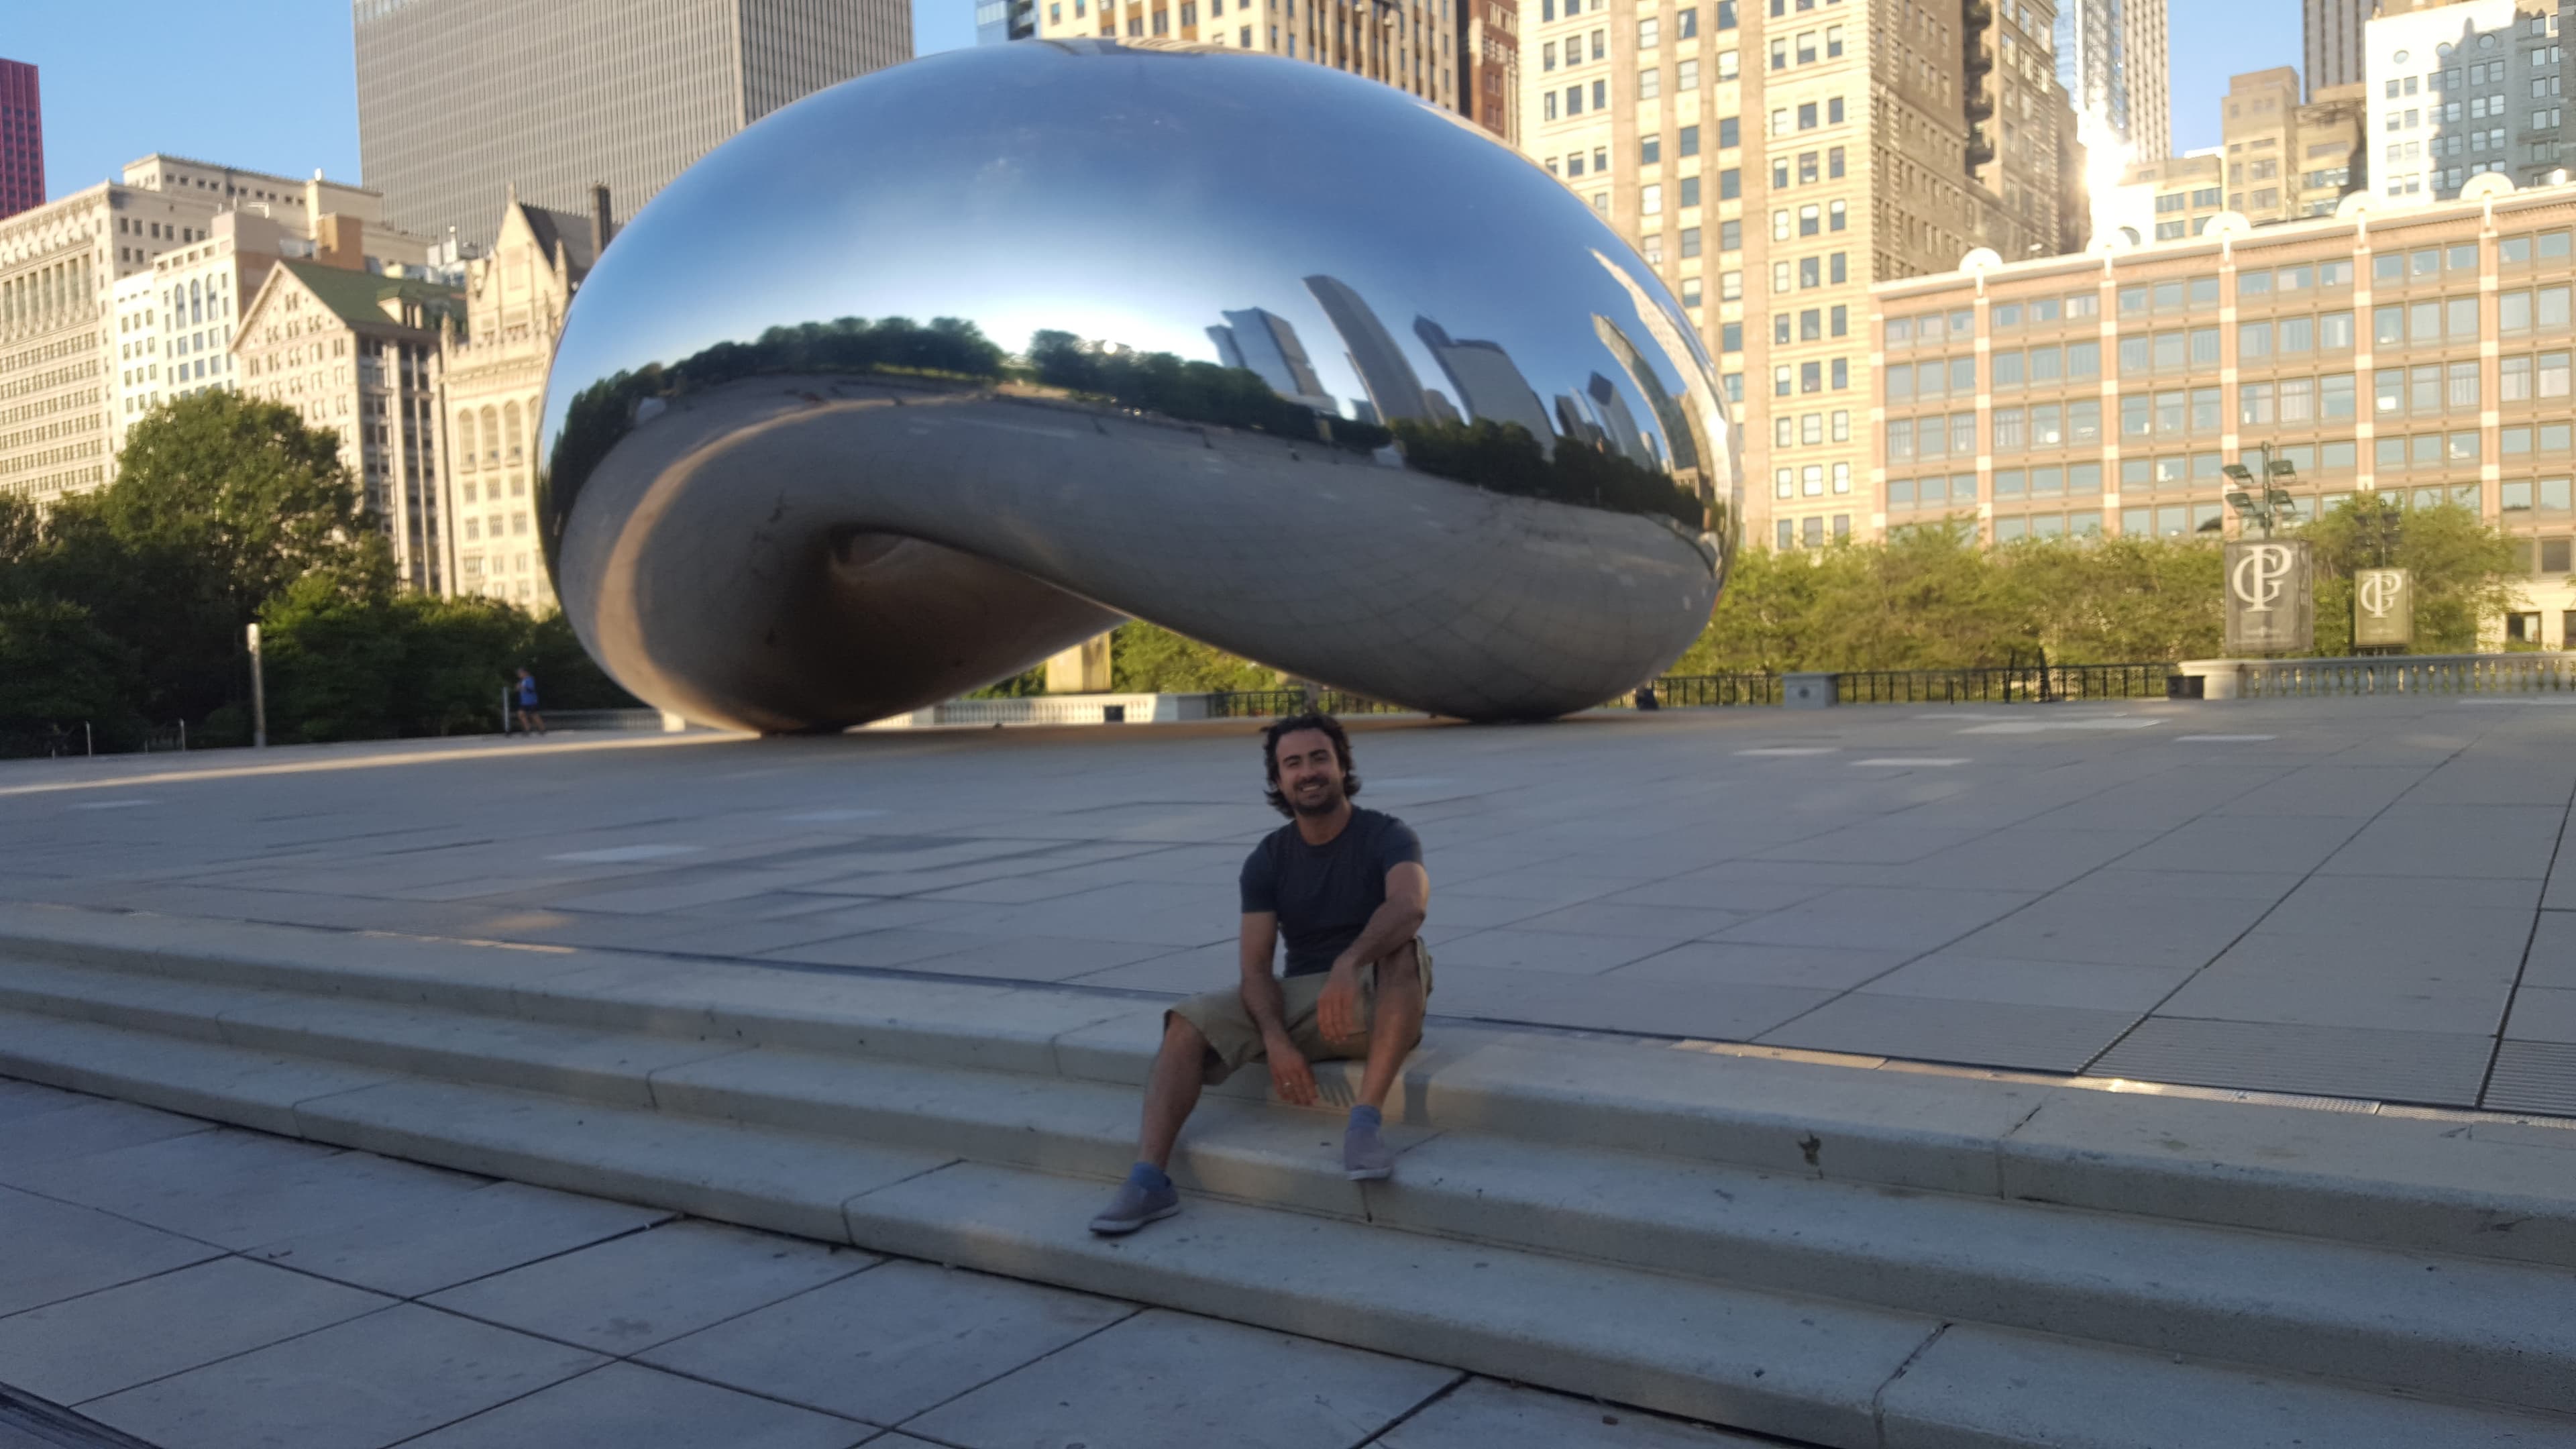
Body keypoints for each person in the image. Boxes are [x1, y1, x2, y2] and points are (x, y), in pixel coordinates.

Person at [1089, 712, 1432, 1235]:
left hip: (1377, 997)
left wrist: (1349, 961)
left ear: (1343, 766)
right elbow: (1254, 968)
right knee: (1186, 1023)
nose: (1308, 771)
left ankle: (1364, 1123)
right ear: (1278, 780)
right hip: (1304, 1004)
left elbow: (1409, 906)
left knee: (1402, 950)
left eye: (1320, 758)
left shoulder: (1387, 834)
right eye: (1292, 764)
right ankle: (1149, 1180)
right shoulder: (1267, 859)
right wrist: (1274, 1037)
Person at [513, 668, 547, 736]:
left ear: (525, 673)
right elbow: (519, 689)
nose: (519, 675)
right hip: (524, 702)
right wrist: (517, 688)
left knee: (534, 715)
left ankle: (542, 728)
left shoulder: (530, 679)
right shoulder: (522, 681)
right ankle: (527, 728)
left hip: (531, 701)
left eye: (520, 673)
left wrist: (523, 688)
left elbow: (531, 689)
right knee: (520, 714)